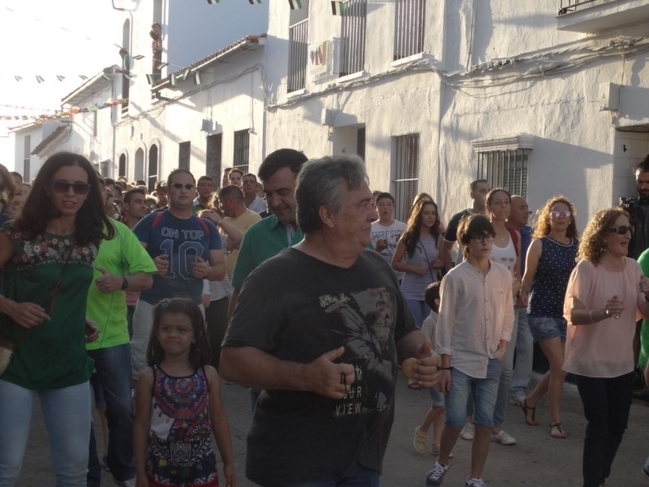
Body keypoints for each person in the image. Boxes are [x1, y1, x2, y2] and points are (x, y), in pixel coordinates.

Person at [221, 154, 441, 486]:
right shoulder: (275, 276)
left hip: (365, 454)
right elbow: (231, 361)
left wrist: (421, 354)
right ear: (328, 215)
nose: (374, 213)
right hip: (297, 462)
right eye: (363, 204)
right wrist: (306, 376)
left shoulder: (377, 267)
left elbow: (402, 332)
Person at [0, 151, 113, 486]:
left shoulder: (89, 239)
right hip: (17, 363)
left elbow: (68, 290)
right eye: (62, 185)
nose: (71, 194)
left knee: (75, 468)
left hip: (69, 362)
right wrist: (10, 307)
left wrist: (79, 319)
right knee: (6, 467)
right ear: (46, 188)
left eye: (80, 187)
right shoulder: (16, 234)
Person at [425, 214, 514, 487]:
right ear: (466, 242)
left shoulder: (502, 274)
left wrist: (502, 345)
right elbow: (446, 321)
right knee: (454, 419)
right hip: (461, 360)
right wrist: (444, 365)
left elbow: (508, 313)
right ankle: (442, 461)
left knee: (485, 423)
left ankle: (475, 477)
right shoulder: (455, 277)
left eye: (488, 236)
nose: (485, 242)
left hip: (491, 359)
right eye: (478, 237)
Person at [563, 207, 649, 487]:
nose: (628, 234)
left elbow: (645, 312)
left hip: (622, 362)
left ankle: (599, 476)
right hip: (590, 362)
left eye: (629, 229)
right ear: (603, 236)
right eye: (621, 229)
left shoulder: (634, 267)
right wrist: (600, 313)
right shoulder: (587, 268)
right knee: (599, 426)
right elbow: (572, 314)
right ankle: (593, 482)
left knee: (619, 426)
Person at [85, 179, 158, 486]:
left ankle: (121, 465)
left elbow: (147, 278)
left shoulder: (117, 231)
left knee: (121, 411)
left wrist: (121, 281)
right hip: (67, 337)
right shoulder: (58, 230)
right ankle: (89, 475)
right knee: (78, 417)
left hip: (112, 337)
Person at [130, 169, 226, 382]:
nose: (183, 191)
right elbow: (128, 261)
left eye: (188, 186)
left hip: (191, 306)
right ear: (167, 190)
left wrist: (208, 271)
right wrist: (149, 264)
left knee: (192, 362)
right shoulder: (151, 222)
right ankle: (142, 410)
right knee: (142, 362)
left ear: (195, 192)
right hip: (152, 304)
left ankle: (186, 409)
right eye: (178, 186)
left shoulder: (206, 227)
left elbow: (221, 269)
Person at [133, 297, 235, 487]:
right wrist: (140, 473)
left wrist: (229, 463)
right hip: (160, 472)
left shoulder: (209, 375)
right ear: (156, 332)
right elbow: (141, 425)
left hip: (202, 473)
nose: (172, 334)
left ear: (195, 334)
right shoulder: (149, 377)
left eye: (182, 329)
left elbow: (219, 419)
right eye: (166, 328)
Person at [518, 196, 578, 439]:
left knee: (559, 367)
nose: (561, 216)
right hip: (542, 311)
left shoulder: (577, 246)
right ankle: (555, 421)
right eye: (556, 211)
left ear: (571, 217)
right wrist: (522, 295)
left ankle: (530, 400)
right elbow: (528, 276)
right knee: (561, 366)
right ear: (548, 216)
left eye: (566, 212)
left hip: (567, 313)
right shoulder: (539, 243)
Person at [229, 148, 308, 318]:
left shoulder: (335, 230)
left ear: (306, 186)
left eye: (282, 192)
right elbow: (240, 294)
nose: (274, 202)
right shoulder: (256, 234)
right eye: (268, 194)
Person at [484, 188, 521, 447]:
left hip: (509, 307)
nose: (503, 207)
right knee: (483, 366)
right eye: (497, 202)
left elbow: (518, 271)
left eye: (506, 202)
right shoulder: (480, 232)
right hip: (484, 307)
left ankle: (496, 426)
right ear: (489, 207)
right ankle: (473, 420)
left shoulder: (515, 235)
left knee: (506, 369)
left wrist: (519, 289)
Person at [392, 198, 444, 329]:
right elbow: (395, 263)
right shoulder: (407, 237)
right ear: (419, 215)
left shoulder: (438, 237)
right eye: (426, 213)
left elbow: (444, 261)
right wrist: (413, 268)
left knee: (431, 327)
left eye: (433, 213)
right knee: (416, 327)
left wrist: (439, 263)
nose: (430, 217)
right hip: (411, 290)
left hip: (430, 291)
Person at [413, 281, 447, 456]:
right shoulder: (429, 322)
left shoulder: (450, 318)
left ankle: (437, 443)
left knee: (442, 406)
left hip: (448, 368)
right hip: (434, 369)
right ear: (437, 301)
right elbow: (425, 346)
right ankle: (423, 430)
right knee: (440, 405)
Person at [506, 195, 534, 405]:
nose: (527, 212)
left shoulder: (531, 234)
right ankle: (502, 387)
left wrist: (526, 291)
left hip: (526, 297)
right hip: (507, 298)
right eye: (522, 208)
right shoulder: (501, 233)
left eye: (527, 208)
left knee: (527, 344)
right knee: (509, 344)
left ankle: (519, 389)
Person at [442, 180, 490, 271]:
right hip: (464, 272)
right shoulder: (459, 218)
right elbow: (446, 247)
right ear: (472, 195)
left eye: (488, 191)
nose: (486, 195)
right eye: (482, 191)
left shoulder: (494, 219)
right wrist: (449, 271)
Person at [371, 192, 406, 280]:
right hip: (379, 275)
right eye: (381, 205)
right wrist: (378, 249)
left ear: (393, 208)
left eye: (389, 204)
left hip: (401, 276)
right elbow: (366, 256)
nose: (385, 207)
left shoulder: (403, 227)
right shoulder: (370, 228)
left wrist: (401, 244)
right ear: (376, 208)